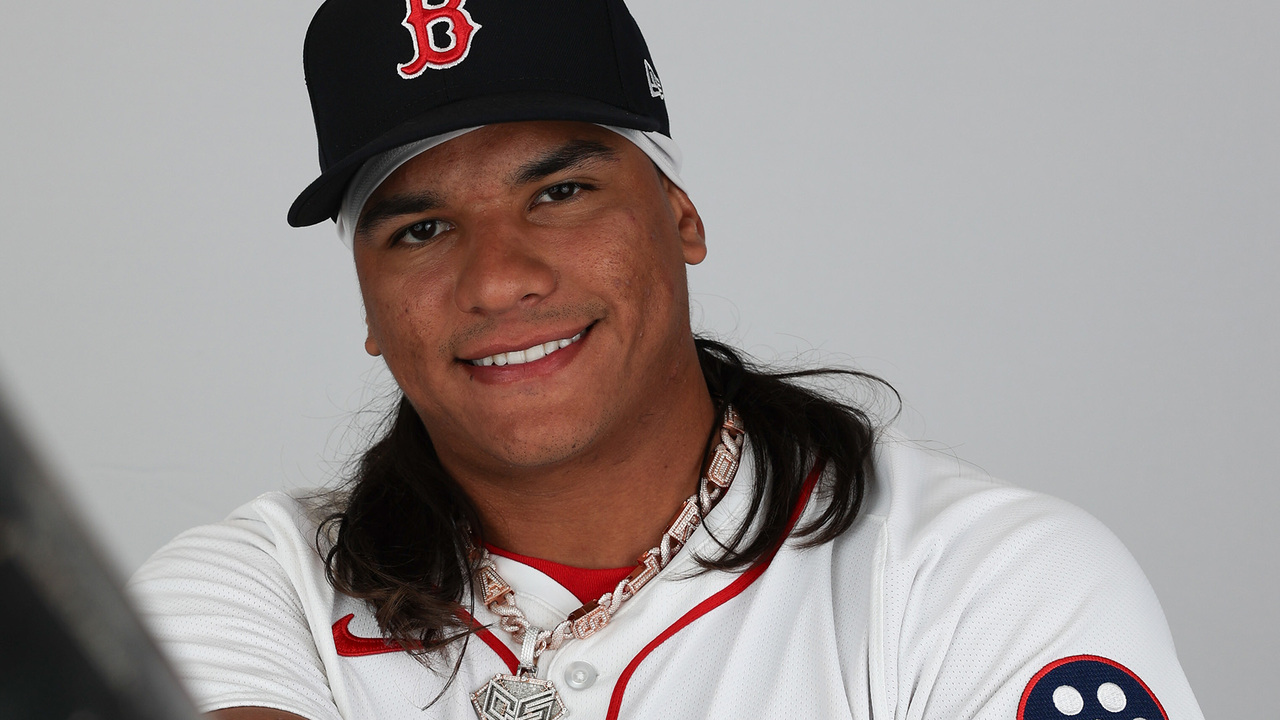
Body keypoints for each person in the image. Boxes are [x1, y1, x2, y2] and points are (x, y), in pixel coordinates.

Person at [129, 1, 1205, 719]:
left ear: (681, 217)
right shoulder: (259, 584)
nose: (498, 279)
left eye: (560, 191)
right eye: (420, 229)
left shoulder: (976, 581)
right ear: (369, 304)